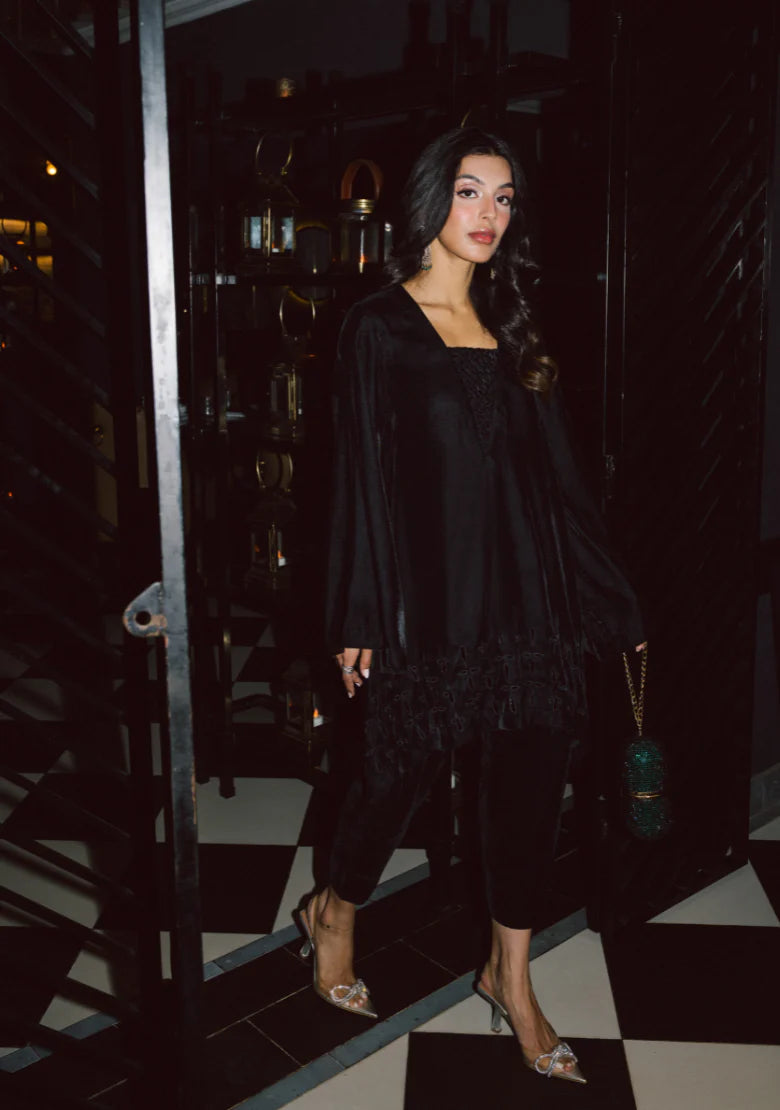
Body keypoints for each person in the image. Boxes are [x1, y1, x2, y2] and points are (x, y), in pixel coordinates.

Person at [297, 127, 645, 1084]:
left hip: (529, 602)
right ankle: (335, 910)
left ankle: (511, 979)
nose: (489, 213)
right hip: (430, 599)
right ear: (429, 202)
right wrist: (360, 611)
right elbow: (357, 477)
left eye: (504, 197)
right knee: (393, 773)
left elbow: (560, 487)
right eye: (468, 191)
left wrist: (609, 599)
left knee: (530, 788)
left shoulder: (515, 326)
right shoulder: (378, 326)